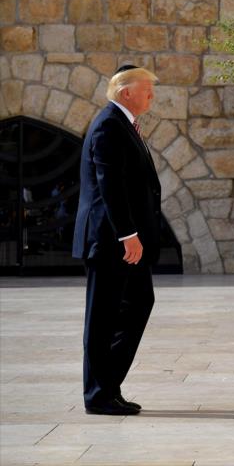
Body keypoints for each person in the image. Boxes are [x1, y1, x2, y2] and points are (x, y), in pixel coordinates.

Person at [72, 65, 161, 416]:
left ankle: (108, 385)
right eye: (147, 89)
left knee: (139, 302)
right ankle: (98, 394)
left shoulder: (124, 124)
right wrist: (128, 235)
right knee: (103, 318)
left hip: (123, 242)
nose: (151, 94)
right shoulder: (109, 125)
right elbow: (110, 186)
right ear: (127, 92)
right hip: (111, 241)